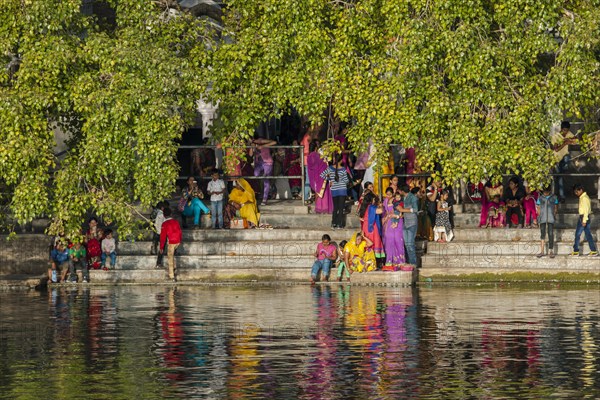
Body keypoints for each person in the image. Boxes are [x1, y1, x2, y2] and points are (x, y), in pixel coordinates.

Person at [320, 155, 350, 229]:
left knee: (335, 207)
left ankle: (333, 223)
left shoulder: (330, 168)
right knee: (341, 208)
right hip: (342, 189)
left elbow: (322, 175)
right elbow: (346, 180)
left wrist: (330, 179)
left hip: (334, 190)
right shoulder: (343, 169)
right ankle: (339, 224)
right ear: (340, 160)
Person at [552, 121, 577, 202]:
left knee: (567, 156)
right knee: (560, 178)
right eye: (564, 130)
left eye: (567, 130)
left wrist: (570, 141)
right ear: (561, 129)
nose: (566, 132)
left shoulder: (569, 134)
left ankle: (560, 196)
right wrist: (565, 143)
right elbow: (556, 149)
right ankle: (561, 196)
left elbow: (576, 140)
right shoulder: (555, 136)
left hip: (564, 158)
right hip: (556, 160)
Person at [382, 187, 406, 268]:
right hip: (389, 223)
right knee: (389, 240)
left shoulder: (396, 200)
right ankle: (389, 261)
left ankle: (400, 261)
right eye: (387, 194)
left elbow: (401, 212)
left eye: (390, 194)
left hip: (398, 222)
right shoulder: (385, 201)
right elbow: (384, 212)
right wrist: (386, 218)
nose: (388, 196)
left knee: (398, 240)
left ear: (393, 194)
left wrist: (396, 216)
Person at [571, 185, 598, 257]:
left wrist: (584, 220)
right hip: (583, 217)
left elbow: (586, 211)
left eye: (577, 192)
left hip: (583, 217)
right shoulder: (582, 197)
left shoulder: (584, 198)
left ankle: (576, 250)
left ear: (581, 190)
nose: (576, 193)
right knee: (588, 234)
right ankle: (593, 250)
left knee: (578, 234)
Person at [308, 142, 333, 214]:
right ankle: (324, 208)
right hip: (321, 175)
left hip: (314, 177)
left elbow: (311, 167)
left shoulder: (309, 156)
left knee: (317, 191)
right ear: (316, 147)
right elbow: (324, 163)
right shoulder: (318, 155)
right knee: (323, 192)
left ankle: (318, 207)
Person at [252, 135, 277, 205]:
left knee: (266, 179)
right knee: (255, 174)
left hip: (267, 162)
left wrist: (263, 145)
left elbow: (274, 142)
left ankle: (264, 199)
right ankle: (264, 191)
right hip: (259, 163)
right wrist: (252, 147)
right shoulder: (252, 143)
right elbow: (251, 154)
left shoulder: (261, 141)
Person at [360, 193, 385, 261]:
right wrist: (381, 206)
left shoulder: (364, 206)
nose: (374, 200)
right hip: (372, 227)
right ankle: (375, 260)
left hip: (365, 227)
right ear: (371, 199)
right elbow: (380, 211)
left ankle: (368, 259)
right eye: (374, 199)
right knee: (374, 241)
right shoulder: (371, 207)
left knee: (368, 242)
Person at [159, 207, 183, 282]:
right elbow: (180, 232)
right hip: (177, 241)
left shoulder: (164, 224)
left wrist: (161, 247)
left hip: (171, 242)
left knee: (170, 259)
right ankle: (173, 269)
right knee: (172, 256)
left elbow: (163, 237)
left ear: (164, 215)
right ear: (171, 214)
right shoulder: (176, 222)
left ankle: (171, 276)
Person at [536, 187, 559, 258]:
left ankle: (551, 251)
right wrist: (539, 216)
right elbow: (538, 207)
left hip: (551, 218)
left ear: (550, 191)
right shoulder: (540, 198)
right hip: (542, 218)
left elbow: (556, 206)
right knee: (542, 234)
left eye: (546, 192)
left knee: (550, 234)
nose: (545, 193)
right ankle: (542, 251)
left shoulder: (554, 197)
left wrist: (554, 214)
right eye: (544, 192)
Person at [399, 184, 419, 265]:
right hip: (405, 222)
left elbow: (415, 209)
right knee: (406, 244)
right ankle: (410, 262)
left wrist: (403, 210)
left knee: (410, 244)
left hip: (412, 222)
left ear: (403, 191)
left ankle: (413, 263)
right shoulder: (404, 198)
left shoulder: (413, 197)